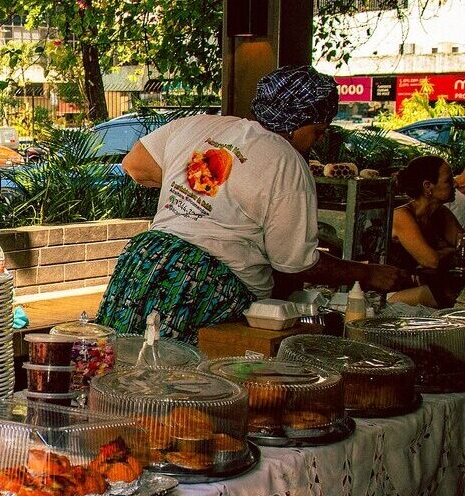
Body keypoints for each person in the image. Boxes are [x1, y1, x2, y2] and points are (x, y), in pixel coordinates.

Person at [97, 65, 403, 343]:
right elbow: (294, 262)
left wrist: (199, 197)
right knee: (179, 382)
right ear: (297, 121)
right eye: (318, 131)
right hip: (203, 284)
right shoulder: (287, 160)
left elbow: (135, 163)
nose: (319, 141)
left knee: (120, 367)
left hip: (146, 260)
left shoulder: (201, 126)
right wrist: (366, 273)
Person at [388, 156, 464, 307]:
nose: (455, 184)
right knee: (449, 294)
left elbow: (462, 244)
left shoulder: (441, 213)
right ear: (428, 186)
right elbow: (431, 260)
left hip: (428, 288)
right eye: (448, 181)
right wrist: (451, 251)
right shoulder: (402, 216)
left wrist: (451, 252)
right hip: (393, 294)